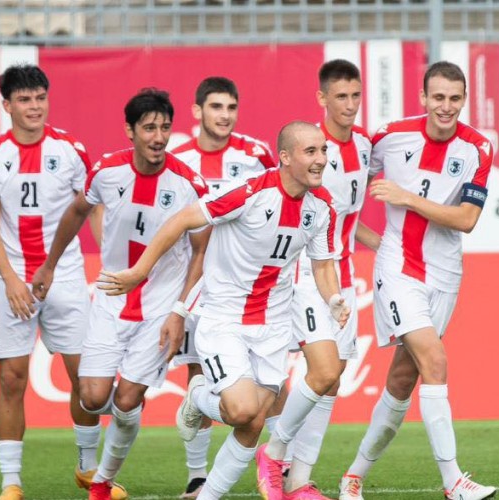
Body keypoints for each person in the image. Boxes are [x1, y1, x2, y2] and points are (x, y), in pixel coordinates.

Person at [99, 121, 350, 500]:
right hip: (224, 321)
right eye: (310, 152)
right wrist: (139, 271)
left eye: (323, 151)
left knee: (251, 423)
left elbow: (322, 265)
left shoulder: (322, 206)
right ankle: (198, 395)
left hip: (273, 325)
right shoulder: (249, 193)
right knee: (240, 409)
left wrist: (333, 299)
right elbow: (183, 219)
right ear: (284, 157)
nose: (321, 160)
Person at [31, 88, 210, 500]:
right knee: (93, 399)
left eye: (165, 127)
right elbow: (77, 211)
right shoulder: (106, 172)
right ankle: (123, 424)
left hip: (159, 309)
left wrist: (180, 310)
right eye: (149, 128)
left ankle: (102, 483)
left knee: (127, 400)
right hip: (110, 302)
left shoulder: (187, 182)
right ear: (130, 130)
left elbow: (202, 251)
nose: (159, 137)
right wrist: (50, 264)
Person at [338, 61, 498, 500]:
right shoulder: (389, 136)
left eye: (455, 98)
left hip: (446, 276)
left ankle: (353, 475)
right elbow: (350, 188)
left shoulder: (479, 148)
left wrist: (407, 197)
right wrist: (366, 237)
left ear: (463, 100)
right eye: (438, 97)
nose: (446, 107)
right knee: (436, 361)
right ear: (423, 98)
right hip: (398, 269)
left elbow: (467, 219)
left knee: (404, 380)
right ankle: (454, 482)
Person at [0, 64, 109, 500]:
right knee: (11, 380)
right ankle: (11, 482)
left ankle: (89, 471)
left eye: (39, 98)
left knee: (87, 383)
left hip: (65, 275)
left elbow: (91, 207)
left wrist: (110, 260)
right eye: (24, 100)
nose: (34, 107)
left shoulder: (70, 149)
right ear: (6, 105)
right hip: (9, 278)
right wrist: (10, 278)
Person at [257, 59, 380, 500]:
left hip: (340, 276)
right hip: (303, 273)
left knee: (331, 378)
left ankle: (297, 478)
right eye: (340, 96)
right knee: (299, 375)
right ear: (321, 99)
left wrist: (383, 245)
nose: (349, 105)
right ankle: (273, 454)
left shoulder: (366, 145)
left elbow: (348, 218)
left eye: (355, 96)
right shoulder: (309, 145)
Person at [169, 75, 276, 499]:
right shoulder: (178, 158)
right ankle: (198, 477)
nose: (225, 116)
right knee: (200, 372)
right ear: (197, 111)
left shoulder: (256, 154)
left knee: (258, 390)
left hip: (248, 284)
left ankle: (267, 470)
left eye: (231, 108)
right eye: (216, 107)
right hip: (197, 280)